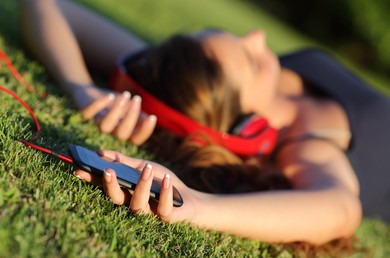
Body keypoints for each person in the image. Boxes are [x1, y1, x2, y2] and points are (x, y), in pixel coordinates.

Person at [19, 0, 389, 245]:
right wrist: (198, 205)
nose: (260, 38)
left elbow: (49, 5)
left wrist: (83, 89)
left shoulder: (201, 78)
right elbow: (341, 209)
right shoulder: (309, 145)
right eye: (252, 60)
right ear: (242, 130)